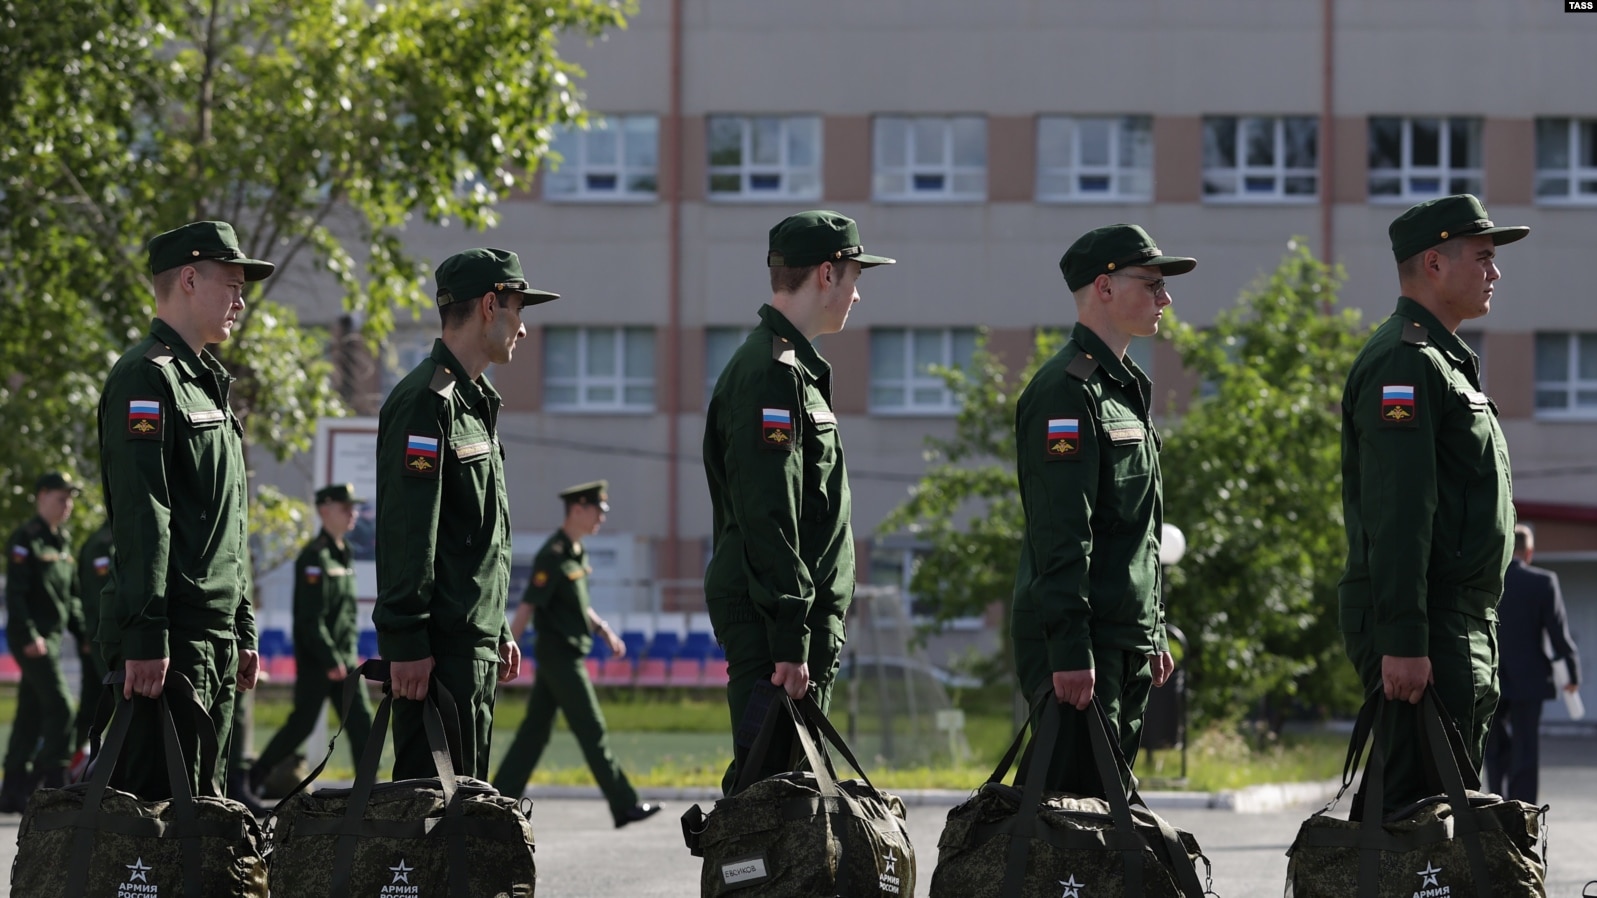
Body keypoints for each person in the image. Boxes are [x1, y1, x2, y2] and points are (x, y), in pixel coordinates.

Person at [1339, 194, 1526, 813]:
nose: (1495, 272)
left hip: (1457, 620)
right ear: (1435, 264)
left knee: (1429, 827)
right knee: (1411, 825)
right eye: (1483, 257)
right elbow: (1400, 511)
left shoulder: (1442, 361)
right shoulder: (1405, 361)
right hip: (1429, 625)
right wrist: (1404, 639)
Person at [703, 210, 894, 794]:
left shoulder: (793, 368)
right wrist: (790, 634)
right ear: (827, 275)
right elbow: (770, 512)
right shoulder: (771, 372)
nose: (858, 296)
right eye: (855, 277)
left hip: (794, 624)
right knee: (771, 805)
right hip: (776, 627)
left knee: (789, 805)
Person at [1011, 225, 1190, 794]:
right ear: (1104, 287)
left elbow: (1138, 533)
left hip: (1122, 639)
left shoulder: (1123, 388)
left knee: (1101, 831)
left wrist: (1153, 628)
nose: (1166, 299)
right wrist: (1069, 648)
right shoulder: (1067, 392)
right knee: (1068, 825)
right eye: (1153, 284)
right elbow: (1062, 534)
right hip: (1084, 646)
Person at [96, 220, 270, 799]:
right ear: (189, 279)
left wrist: (242, 625)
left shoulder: (206, 383)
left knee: (203, 822)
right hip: (170, 641)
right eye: (232, 285)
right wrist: (146, 635)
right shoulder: (147, 378)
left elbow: (225, 523)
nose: (240, 302)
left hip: (211, 635)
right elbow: (146, 516)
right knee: (153, 834)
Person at [374, 247, 556, 779]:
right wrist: (405, 642)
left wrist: (496, 627)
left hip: (470, 647)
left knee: (466, 824)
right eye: (519, 310)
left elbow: (475, 539)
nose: (522, 329)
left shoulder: (473, 401)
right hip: (437, 654)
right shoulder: (425, 402)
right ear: (489, 305)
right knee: (429, 821)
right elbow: (410, 532)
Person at [492, 481, 660, 827]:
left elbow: (579, 605)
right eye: (597, 510)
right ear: (577, 510)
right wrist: (506, 652)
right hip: (559, 657)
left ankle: (498, 801)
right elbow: (526, 608)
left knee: (534, 733)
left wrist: (604, 630)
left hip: (567, 654)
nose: (601, 517)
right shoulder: (552, 555)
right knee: (592, 727)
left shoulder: (575, 551)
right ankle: (624, 803)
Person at [248, 483, 375, 799]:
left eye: (353, 508)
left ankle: (369, 795)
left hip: (344, 661)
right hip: (320, 662)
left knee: (363, 725)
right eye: (345, 507)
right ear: (324, 510)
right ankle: (254, 777)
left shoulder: (343, 553)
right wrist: (331, 659)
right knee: (301, 725)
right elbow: (310, 619)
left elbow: (343, 616)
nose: (352, 513)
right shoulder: (314, 557)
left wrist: (345, 658)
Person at [0, 472, 87, 811]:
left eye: (70, 498)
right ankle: (53, 782)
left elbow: (72, 600)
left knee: (30, 714)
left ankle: (13, 790)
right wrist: (30, 635)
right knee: (62, 707)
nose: (67, 504)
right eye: (60, 497)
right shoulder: (27, 538)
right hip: (32, 639)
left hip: (52, 637)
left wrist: (83, 636)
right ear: (41, 496)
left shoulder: (62, 542)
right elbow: (16, 596)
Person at [1485, 524, 1580, 803]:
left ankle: (1494, 807)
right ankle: (1523, 812)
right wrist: (1572, 673)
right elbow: (1558, 633)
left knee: (1493, 749)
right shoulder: (1543, 581)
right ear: (1529, 552)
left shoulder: (1487, 580)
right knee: (1525, 749)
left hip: (1491, 676)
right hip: (1530, 678)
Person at [72, 520, 113, 750]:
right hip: (104, 638)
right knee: (119, 699)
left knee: (93, 703)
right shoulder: (103, 543)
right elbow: (100, 596)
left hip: (101, 637)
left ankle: (76, 762)